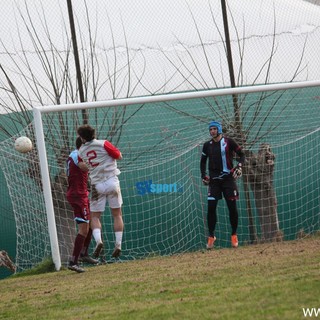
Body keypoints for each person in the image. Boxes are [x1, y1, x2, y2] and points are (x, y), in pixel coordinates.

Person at [77, 124, 124, 259]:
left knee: (95, 217)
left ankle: (98, 241)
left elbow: (83, 167)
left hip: (97, 185)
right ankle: (118, 244)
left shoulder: (81, 151)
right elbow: (119, 156)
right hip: (112, 181)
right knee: (117, 215)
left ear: (82, 137)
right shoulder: (104, 143)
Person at [200, 121, 245, 249]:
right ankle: (211, 236)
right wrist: (204, 176)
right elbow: (203, 162)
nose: (212, 131)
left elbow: (242, 155)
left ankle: (234, 234)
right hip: (214, 181)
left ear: (219, 129)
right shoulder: (206, 146)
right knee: (211, 208)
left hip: (228, 180)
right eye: (210, 129)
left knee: (232, 208)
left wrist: (239, 167)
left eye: (214, 129)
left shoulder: (229, 142)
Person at [66, 137, 99, 273]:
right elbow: (83, 166)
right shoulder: (76, 154)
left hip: (81, 194)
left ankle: (84, 254)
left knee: (91, 223)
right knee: (83, 229)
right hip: (78, 196)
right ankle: (73, 261)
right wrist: (98, 164)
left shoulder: (78, 155)